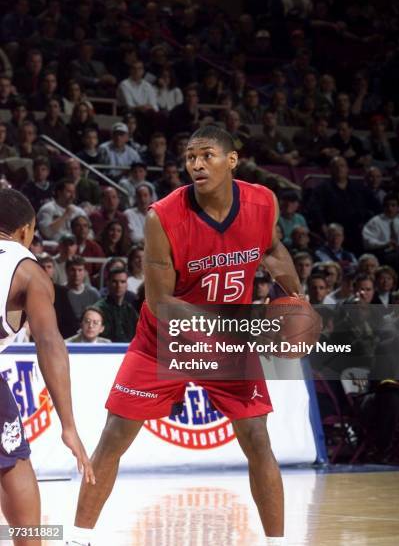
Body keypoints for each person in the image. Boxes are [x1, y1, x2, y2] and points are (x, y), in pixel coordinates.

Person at [68, 125, 303, 545]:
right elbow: (161, 302)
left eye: (207, 155)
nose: (196, 164)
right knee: (114, 438)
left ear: (232, 160)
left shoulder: (262, 201)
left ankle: (278, 543)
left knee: (257, 438)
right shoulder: (163, 216)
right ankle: (77, 537)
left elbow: (271, 249)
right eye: (190, 156)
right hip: (165, 338)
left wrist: (295, 295)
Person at [0, 189, 94, 546]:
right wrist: (68, 426)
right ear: (27, 230)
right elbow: (51, 343)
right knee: (13, 462)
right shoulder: (27, 271)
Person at [93, 267, 138, 343]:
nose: (119, 286)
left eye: (122, 282)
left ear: (127, 285)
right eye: (114, 281)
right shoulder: (98, 309)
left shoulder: (130, 309)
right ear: (107, 283)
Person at [65, 256, 100, 321]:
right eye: (73, 270)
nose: (76, 274)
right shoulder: (61, 293)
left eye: (80, 270)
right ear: (66, 271)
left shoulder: (93, 293)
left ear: (84, 272)